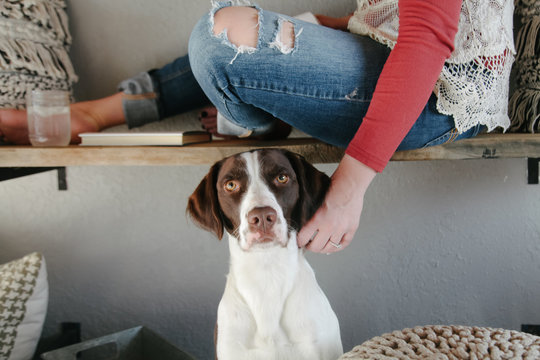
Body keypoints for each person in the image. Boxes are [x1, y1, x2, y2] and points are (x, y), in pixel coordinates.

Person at [0, 0, 515, 255]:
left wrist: (348, 190)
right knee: (240, 25)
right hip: (384, 57)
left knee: (222, 33)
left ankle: (250, 117)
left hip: (436, 96)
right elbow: (391, 21)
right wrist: (315, 27)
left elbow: (427, 38)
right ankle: (93, 114)